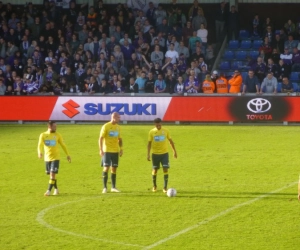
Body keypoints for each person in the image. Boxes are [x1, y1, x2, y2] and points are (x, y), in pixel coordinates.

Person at [37, 121, 71, 196]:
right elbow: (40, 145)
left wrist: (67, 154)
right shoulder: (43, 135)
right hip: (47, 158)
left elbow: (63, 145)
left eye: (56, 126)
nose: (56, 128)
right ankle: (56, 189)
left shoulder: (58, 135)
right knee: (51, 176)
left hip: (56, 158)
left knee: (52, 174)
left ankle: (48, 191)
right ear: (49, 127)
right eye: (54, 126)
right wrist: (39, 152)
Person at [147, 118, 177, 193]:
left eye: (159, 125)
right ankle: (154, 186)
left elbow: (171, 141)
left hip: (164, 154)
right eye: (157, 125)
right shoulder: (151, 132)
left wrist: (174, 151)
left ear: (161, 123)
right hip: (155, 154)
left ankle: (165, 187)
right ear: (155, 124)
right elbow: (149, 143)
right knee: (155, 170)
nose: (158, 126)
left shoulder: (166, 131)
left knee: (165, 169)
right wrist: (148, 154)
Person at [99, 112, 123, 194]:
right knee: (106, 167)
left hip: (115, 151)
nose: (120, 119)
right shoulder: (106, 126)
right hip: (107, 150)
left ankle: (113, 187)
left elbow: (120, 139)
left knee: (114, 168)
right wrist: (101, 149)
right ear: (114, 117)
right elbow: (101, 138)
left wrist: (121, 149)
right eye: (118, 117)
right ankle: (105, 187)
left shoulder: (118, 127)